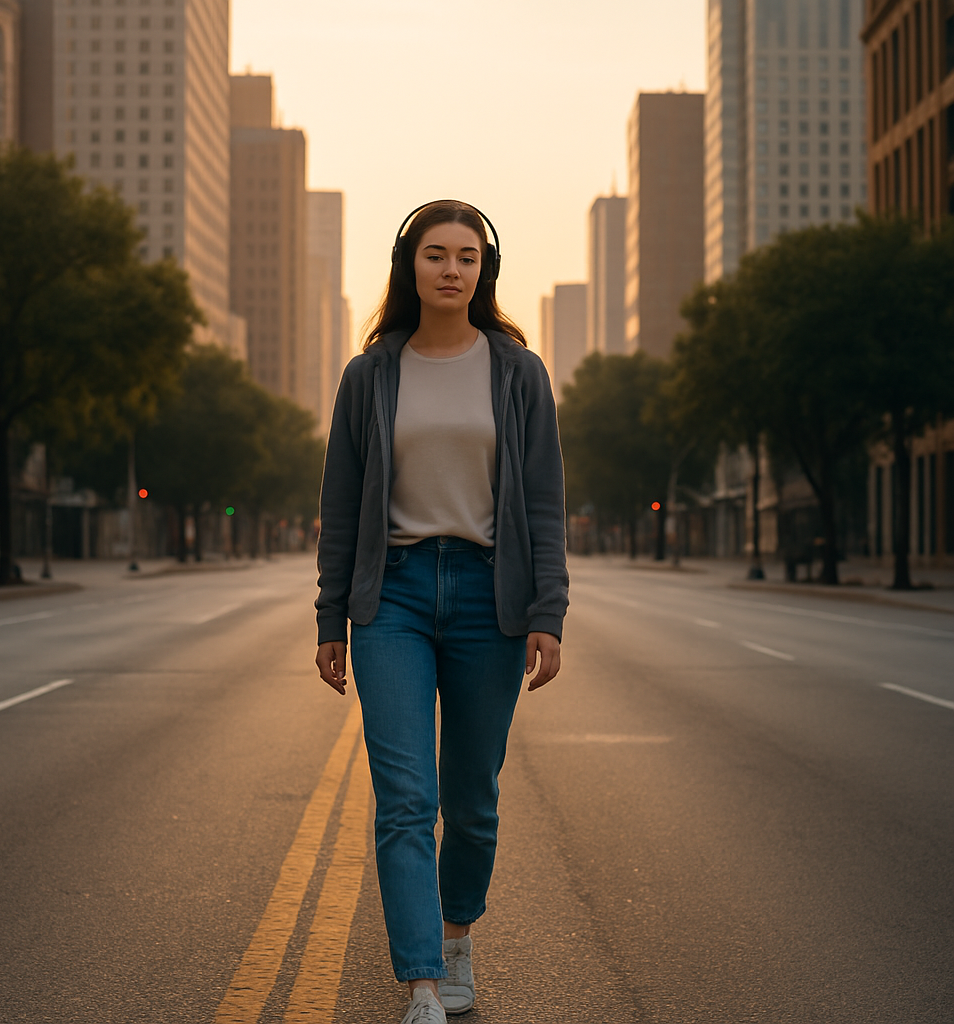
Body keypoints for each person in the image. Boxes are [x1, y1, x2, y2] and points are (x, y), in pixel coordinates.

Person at [314, 199, 569, 1023]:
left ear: (484, 270)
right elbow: (341, 504)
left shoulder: (518, 372)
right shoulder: (371, 374)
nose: (451, 269)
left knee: (473, 798)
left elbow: (543, 501)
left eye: (466, 256)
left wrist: (548, 611)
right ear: (409, 265)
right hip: (391, 596)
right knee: (404, 797)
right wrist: (330, 619)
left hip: (487, 599)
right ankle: (422, 980)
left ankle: (457, 936)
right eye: (435, 254)